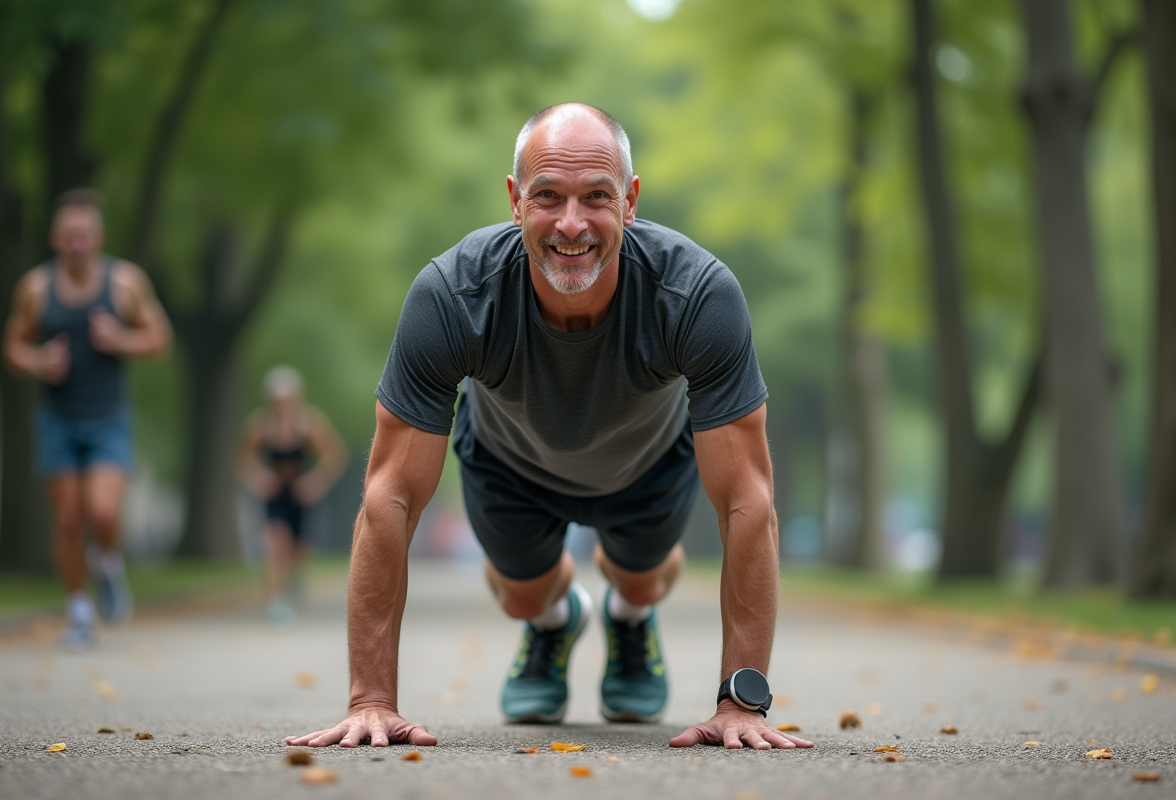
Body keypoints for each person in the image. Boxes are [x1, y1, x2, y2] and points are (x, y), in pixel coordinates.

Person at [287, 104, 815, 751]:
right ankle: (555, 622)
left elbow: (747, 499)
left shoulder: (698, 295)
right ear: (514, 200)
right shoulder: (452, 296)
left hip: (648, 465)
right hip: (510, 467)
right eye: (547, 197)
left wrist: (742, 703)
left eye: (596, 197)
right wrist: (371, 700)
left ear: (630, 202)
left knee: (641, 578)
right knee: (521, 598)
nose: (571, 224)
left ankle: (629, 615)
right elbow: (388, 495)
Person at [2, 188, 172, 648]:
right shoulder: (36, 288)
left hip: (108, 417)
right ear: (56, 237)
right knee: (70, 517)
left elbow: (159, 339)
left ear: (98, 236)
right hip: (57, 418)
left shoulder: (124, 283)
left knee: (101, 510)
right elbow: (13, 345)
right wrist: (37, 361)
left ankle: (108, 565)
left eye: (85, 234)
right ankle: (78, 611)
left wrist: (120, 339)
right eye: (69, 235)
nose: (77, 242)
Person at [235, 365, 347, 621]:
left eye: (286, 399)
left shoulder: (309, 424)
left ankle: (294, 582)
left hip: (301, 494)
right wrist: (259, 479)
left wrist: (316, 482)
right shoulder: (260, 427)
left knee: (298, 549)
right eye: (277, 399)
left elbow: (334, 455)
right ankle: (277, 599)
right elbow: (243, 459)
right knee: (276, 540)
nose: (282, 404)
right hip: (275, 495)